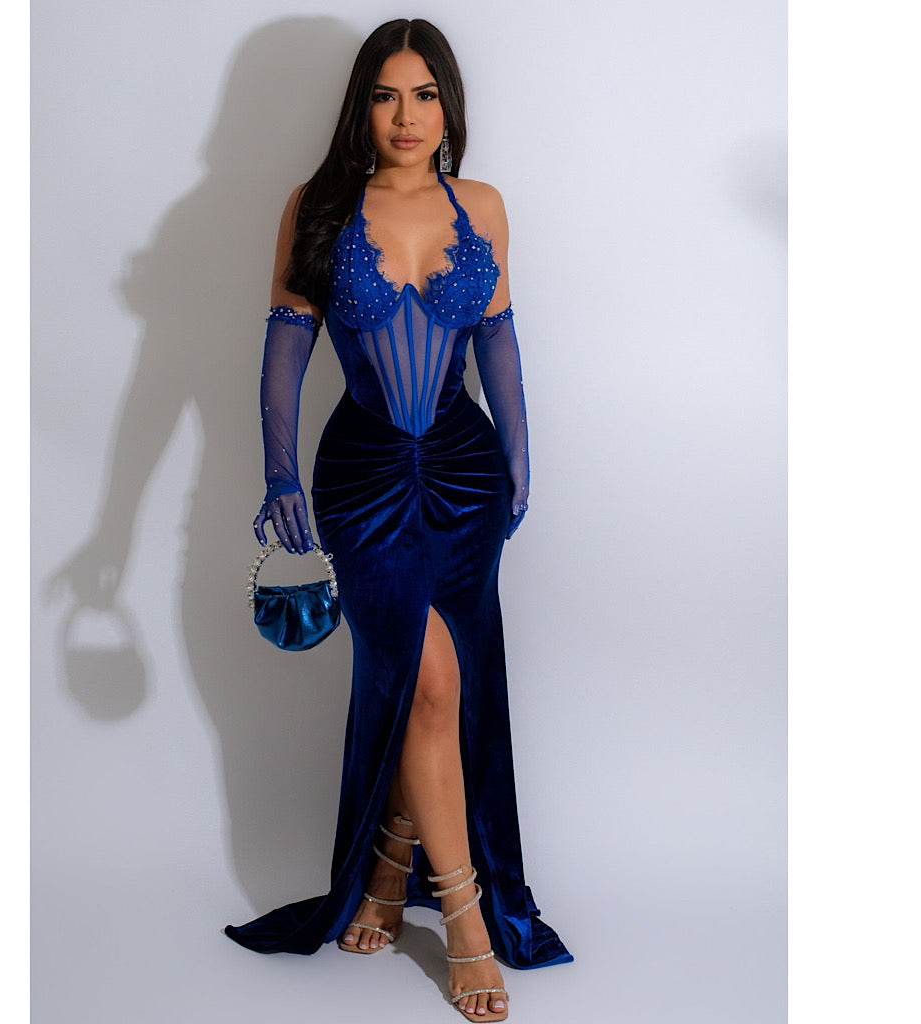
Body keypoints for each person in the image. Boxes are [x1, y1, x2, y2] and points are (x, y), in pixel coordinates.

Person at [225, 18, 573, 1021]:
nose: (406, 116)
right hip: (365, 474)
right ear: (361, 106)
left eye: (425, 95)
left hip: (464, 473)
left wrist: (519, 455)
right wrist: (278, 474)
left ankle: (389, 871)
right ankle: (464, 922)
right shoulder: (320, 206)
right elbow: (286, 345)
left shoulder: (483, 206)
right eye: (386, 95)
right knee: (425, 679)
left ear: (449, 107)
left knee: (448, 685)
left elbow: (498, 338)